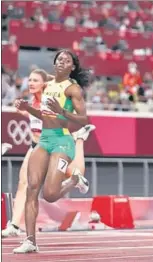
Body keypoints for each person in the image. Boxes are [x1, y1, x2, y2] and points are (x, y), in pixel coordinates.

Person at [12, 50, 93, 253]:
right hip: (45, 138)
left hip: (62, 141)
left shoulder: (72, 89)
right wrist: (27, 108)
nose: (61, 62)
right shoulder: (48, 86)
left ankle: (73, 180)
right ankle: (30, 241)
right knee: (32, 188)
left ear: (72, 67)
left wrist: (62, 111)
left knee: (49, 194)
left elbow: (84, 119)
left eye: (66, 61)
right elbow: (44, 115)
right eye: (59, 59)